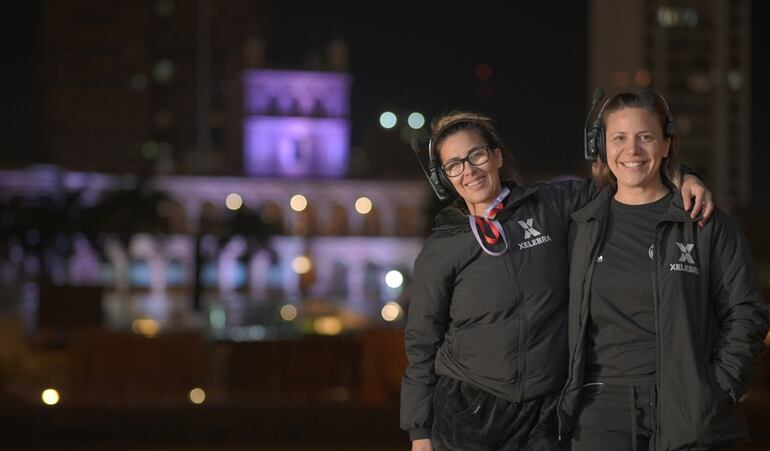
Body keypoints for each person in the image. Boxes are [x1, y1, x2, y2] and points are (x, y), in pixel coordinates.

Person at [400, 110, 713, 450]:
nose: (469, 171)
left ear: (497, 156)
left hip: (545, 415)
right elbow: (421, 343)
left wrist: (685, 176)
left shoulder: (553, 205)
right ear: (445, 177)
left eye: (476, 155)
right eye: (454, 165)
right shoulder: (442, 248)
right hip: (468, 414)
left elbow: (627, 176)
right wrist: (420, 432)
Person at [557, 90, 768, 450]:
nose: (632, 150)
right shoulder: (580, 225)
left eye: (646, 137)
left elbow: (746, 312)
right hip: (601, 412)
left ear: (666, 145)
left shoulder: (704, 222)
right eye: (619, 138)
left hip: (688, 410)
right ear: (600, 146)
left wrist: (717, 389)